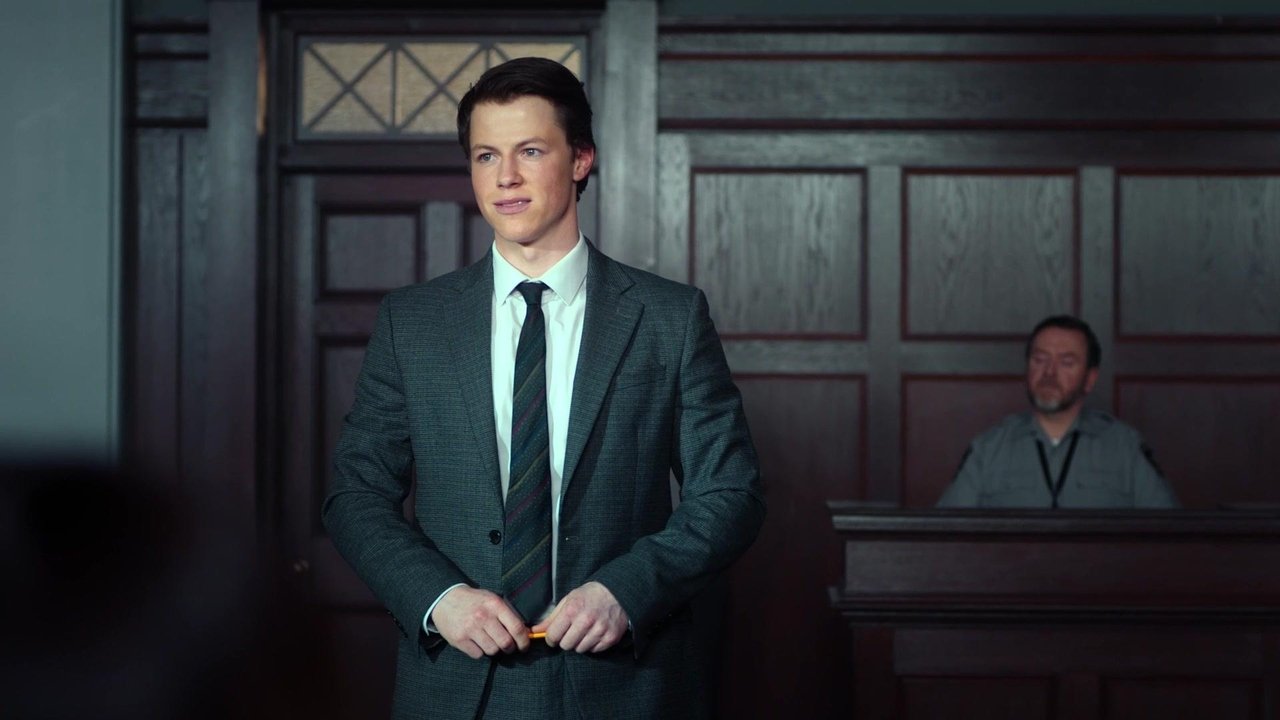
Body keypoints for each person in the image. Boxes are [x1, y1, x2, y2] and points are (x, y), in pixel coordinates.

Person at [322, 57, 765, 719]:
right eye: (485, 156)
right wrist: (439, 599)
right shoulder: (412, 322)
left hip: (625, 686)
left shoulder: (668, 318)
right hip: (457, 687)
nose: (505, 177)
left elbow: (731, 492)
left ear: (581, 158)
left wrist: (628, 590)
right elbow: (355, 496)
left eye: (530, 151)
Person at [936, 315, 1178, 509]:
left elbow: (1169, 534)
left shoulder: (1125, 446)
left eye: (1066, 363)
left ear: (1090, 379)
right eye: (1040, 360)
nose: (1049, 372)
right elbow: (947, 535)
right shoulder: (988, 448)